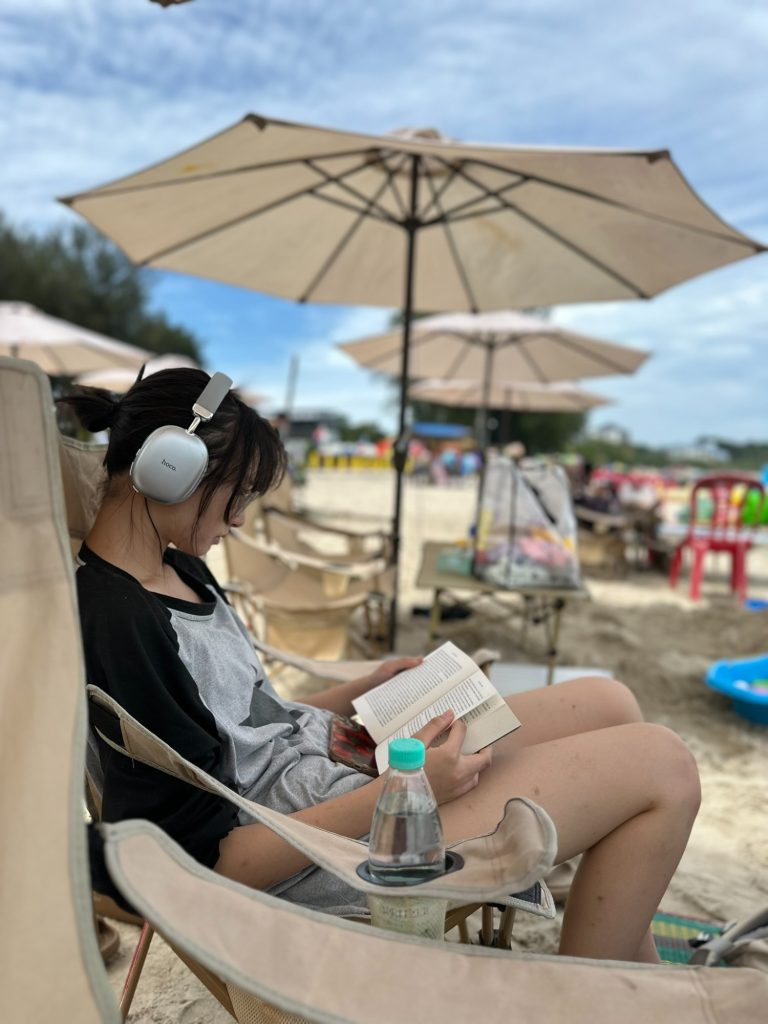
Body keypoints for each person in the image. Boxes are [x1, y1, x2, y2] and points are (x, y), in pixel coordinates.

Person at [62, 369, 701, 962]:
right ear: (171, 468)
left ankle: (635, 973)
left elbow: (252, 719)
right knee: (663, 766)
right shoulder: (122, 624)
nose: (240, 518)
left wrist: (363, 690)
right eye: (236, 494)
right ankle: (600, 994)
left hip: (342, 771)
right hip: (325, 847)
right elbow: (208, 861)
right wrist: (405, 791)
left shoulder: (178, 568)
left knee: (611, 702)